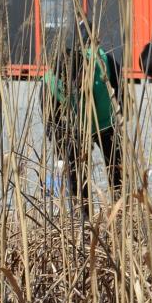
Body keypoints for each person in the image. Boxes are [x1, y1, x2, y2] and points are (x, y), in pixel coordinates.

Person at [42, 22, 125, 213]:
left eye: (81, 78)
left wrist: (121, 116)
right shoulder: (50, 85)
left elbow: (121, 88)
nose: (78, 84)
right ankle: (84, 216)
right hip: (76, 129)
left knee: (117, 169)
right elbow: (50, 122)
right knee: (76, 173)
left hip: (106, 123)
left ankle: (121, 210)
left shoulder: (103, 62)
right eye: (73, 82)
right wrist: (61, 151)